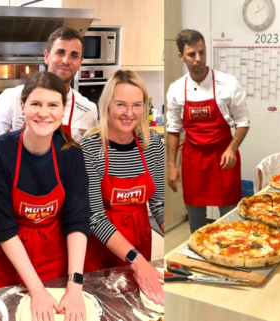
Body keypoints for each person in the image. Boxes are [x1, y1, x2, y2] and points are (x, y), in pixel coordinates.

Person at [0, 71, 91, 321]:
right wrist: (36, 289)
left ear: (64, 109)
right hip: (5, 260)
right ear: (22, 106)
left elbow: (77, 220)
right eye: (35, 104)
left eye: (53, 105)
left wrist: (75, 286)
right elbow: (3, 226)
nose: (44, 113)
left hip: (53, 255)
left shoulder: (71, 155)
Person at [0, 27, 98, 197]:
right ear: (46, 56)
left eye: (74, 55)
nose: (66, 60)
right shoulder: (12, 98)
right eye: (60, 52)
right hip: (14, 196)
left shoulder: (88, 109)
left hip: (62, 199)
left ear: (80, 62)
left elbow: (87, 164)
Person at [80, 70, 164, 306]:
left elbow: (159, 204)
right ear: (107, 105)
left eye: (137, 105)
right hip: (101, 247)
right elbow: (95, 217)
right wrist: (137, 261)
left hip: (140, 239)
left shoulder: (152, 145)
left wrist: (177, 240)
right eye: (121, 105)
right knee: (103, 306)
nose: (129, 113)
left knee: (138, 306)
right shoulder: (90, 149)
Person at [166, 29, 250, 233]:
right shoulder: (176, 89)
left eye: (201, 52)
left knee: (231, 221)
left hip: (224, 157)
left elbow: (243, 121)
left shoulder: (228, 84)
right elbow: (173, 129)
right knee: (196, 223)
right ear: (181, 56)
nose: (198, 59)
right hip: (193, 159)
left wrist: (232, 148)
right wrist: (171, 165)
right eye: (192, 54)